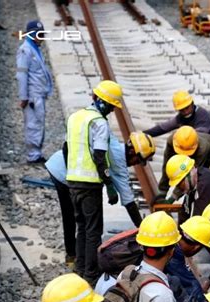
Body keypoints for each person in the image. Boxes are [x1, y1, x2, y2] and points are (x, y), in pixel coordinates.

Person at [46, 131, 154, 267]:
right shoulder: (119, 164)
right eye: (137, 160)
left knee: (72, 217)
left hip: (59, 165)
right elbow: (129, 201)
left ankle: (74, 257)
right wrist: (143, 227)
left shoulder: (113, 142)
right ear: (132, 151)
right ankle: (85, 265)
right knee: (88, 224)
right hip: (66, 173)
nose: (134, 164)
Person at [66, 80, 124, 286]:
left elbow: (66, 149)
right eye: (112, 106)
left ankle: (80, 268)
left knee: (81, 227)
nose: (111, 110)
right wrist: (109, 184)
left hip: (72, 181)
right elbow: (99, 156)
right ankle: (90, 276)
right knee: (93, 231)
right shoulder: (99, 122)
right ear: (105, 103)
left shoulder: (76, 117)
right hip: (90, 183)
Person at [16, 20, 53, 164]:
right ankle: (33, 155)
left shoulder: (34, 49)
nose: (42, 38)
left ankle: (36, 153)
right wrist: (23, 96)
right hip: (32, 96)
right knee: (33, 124)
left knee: (38, 123)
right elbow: (21, 75)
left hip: (38, 95)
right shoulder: (25, 51)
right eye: (40, 34)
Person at [157, 126, 210, 198]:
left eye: (186, 152)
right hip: (201, 152)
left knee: (204, 182)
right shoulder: (172, 141)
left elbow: (190, 175)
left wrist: (173, 197)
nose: (184, 154)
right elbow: (167, 165)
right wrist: (162, 191)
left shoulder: (202, 148)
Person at [144, 90, 210, 142]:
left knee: (184, 139)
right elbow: (163, 127)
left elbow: (199, 134)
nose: (185, 112)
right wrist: (144, 134)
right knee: (171, 141)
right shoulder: (180, 118)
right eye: (182, 110)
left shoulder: (202, 114)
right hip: (195, 143)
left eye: (187, 108)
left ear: (191, 104)